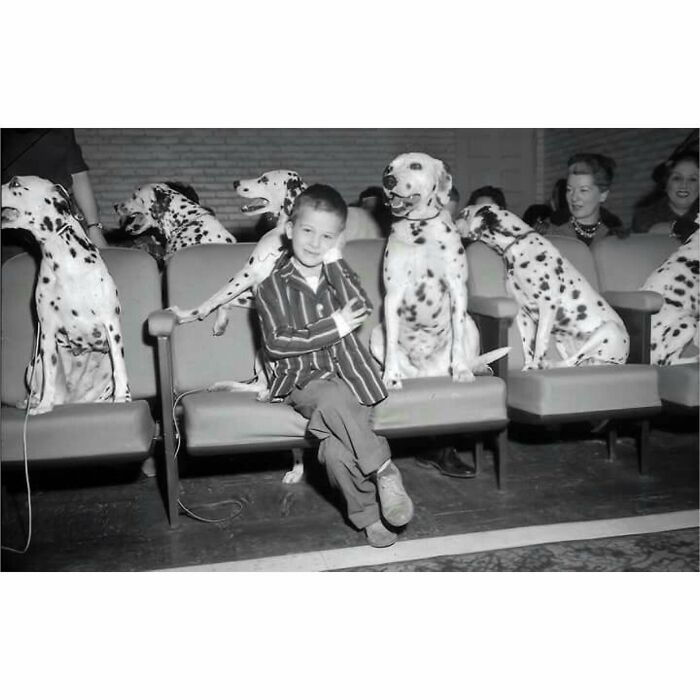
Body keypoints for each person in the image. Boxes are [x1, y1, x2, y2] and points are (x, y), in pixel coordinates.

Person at [254, 183, 414, 548]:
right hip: (304, 379)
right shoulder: (271, 288)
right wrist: (336, 325)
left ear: (339, 239)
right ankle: (385, 469)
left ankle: (369, 517)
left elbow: (360, 304)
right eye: (307, 231)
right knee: (328, 398)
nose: (314, 242)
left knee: (335, 450)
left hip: (352, 376)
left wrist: (335, 260)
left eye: (327, 236)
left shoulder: (336, 272)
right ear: (289, 229)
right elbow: (278, 343)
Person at [1, 129, 108, 259]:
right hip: (12, 230)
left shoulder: (61, 130)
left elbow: (79, 176)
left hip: (59, 226)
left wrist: (94, 227)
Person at [547, 153, 623, 246]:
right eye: (569, 190)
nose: (574, 197)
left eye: (583, 190)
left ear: (603, 195)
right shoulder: (552, 234)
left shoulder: (614, 237)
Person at [631, 149, 699, 242]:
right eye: (677, 178)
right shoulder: (644, 216)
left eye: (693, 179)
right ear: (665, 184)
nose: (684, 185)